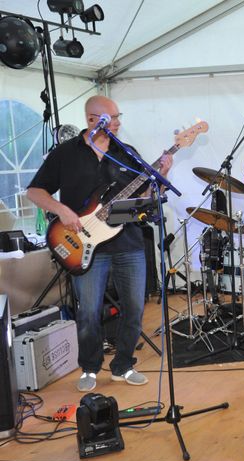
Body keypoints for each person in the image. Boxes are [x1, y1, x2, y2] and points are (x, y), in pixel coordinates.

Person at [27, 95, 173, 392]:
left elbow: (143, 194)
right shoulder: (65, 154)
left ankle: (123, 365)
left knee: (134, 308)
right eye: (112, 118)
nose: (118, 123)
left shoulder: (127, 153)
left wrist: (163, 172)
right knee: (89, 312)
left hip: (129, 242)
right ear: (92, 120)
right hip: (84, 245)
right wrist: (62, 210)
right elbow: (35, 192)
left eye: (119, 116)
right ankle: (90, 368)